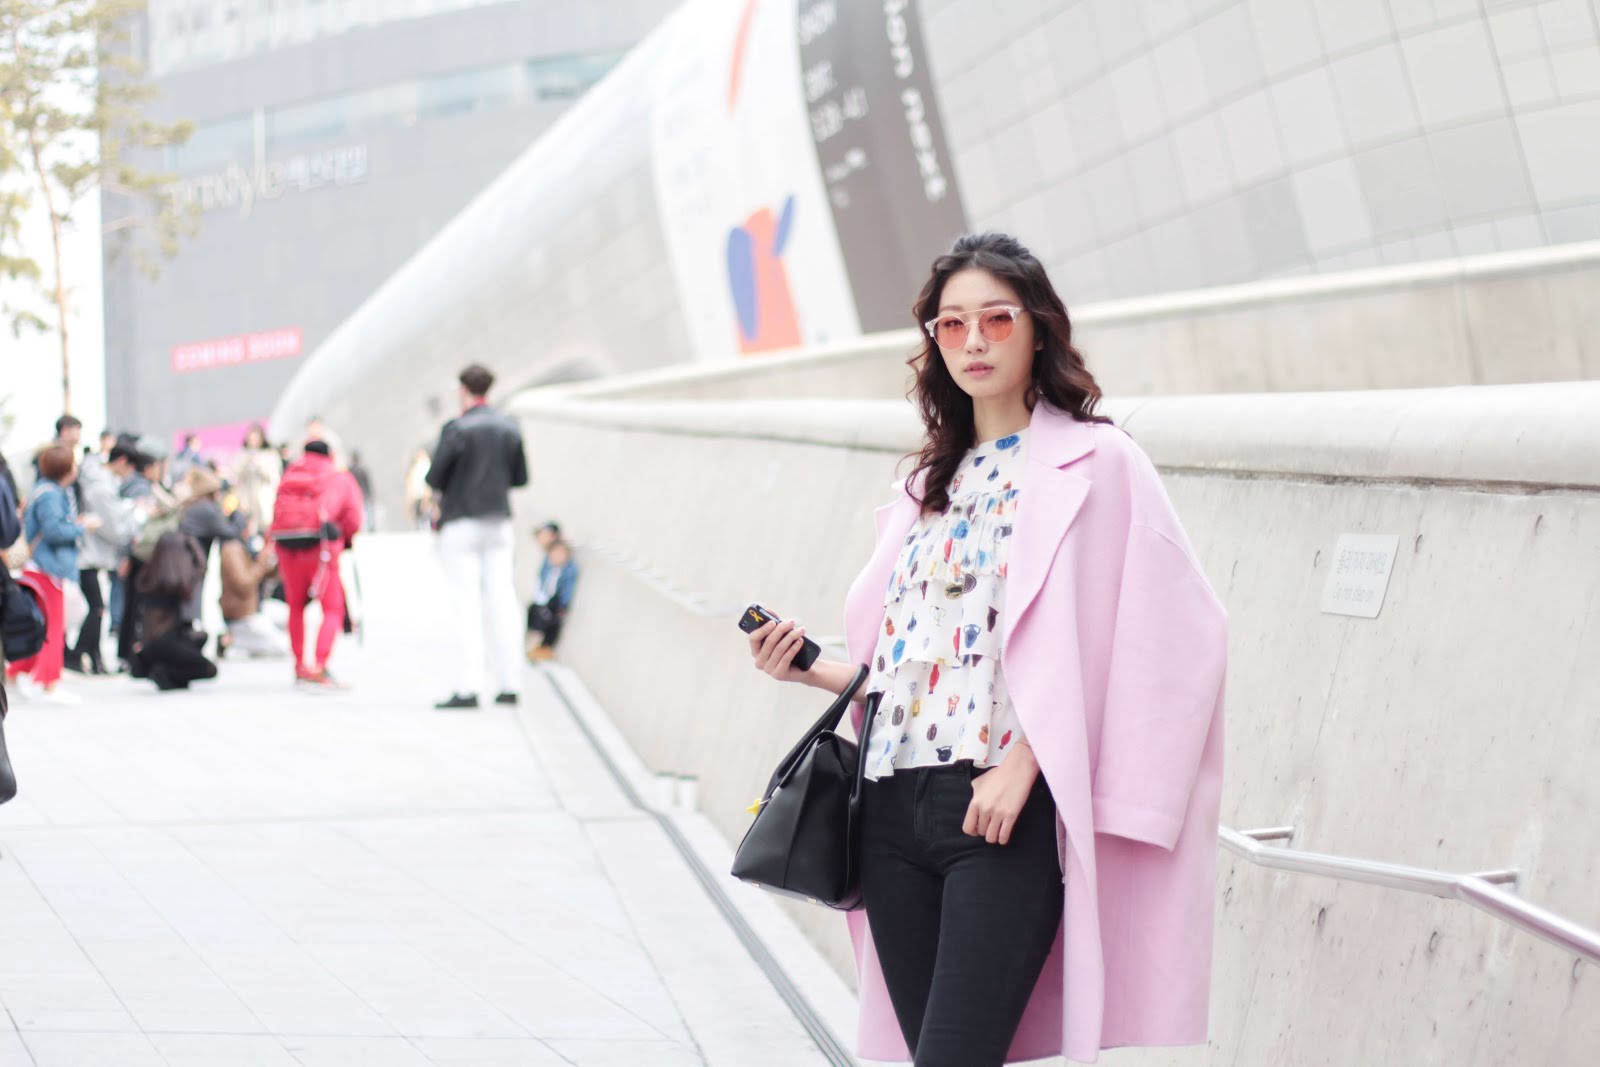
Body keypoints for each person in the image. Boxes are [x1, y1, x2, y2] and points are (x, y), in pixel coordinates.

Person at [743, 233, 1228, 1066]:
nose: (973, 341)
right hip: (890, 806)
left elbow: (1165, 635)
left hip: (999, 810)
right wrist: (808, 665)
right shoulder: (926, 485)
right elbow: (912, 667)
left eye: (996, 320)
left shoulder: (1099, 462)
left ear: (1037, 329)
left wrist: (1025, 762)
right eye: (952, 324)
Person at [426, 364, 529, 710]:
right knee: (503, 598)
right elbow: (520, 477)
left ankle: (469, 686)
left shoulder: (456, 429)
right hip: (498, 521)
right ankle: (510, 682)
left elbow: (435, 477)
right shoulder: (509, 426)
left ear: (462, 390)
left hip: (461, 522)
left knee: (466, 602)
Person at [7, 446, 99, 704]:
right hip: (49, 569)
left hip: (40, 568)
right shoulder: (51, 495)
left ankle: (17, 674)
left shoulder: (43, 490)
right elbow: (54, 531)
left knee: (42, 625)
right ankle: (48, 683)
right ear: (65, 468)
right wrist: (81, 527)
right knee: (53, 627)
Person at [269, 440, 363, 687]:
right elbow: (353, 517)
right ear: (331, 454)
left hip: (287, 547)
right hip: (320, 548)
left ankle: (300, 665)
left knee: (296, 606)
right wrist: (345, 537)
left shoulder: (290, 475)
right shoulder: (338, 477)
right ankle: (320, 665)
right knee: (332, 608)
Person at [67, 444, 141, 675]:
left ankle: (91, 656)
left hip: (91, 556)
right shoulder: (100, 486)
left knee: (97, 608)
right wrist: (136, 515)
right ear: (122, 461)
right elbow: (113, 528)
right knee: (97, 608)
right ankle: (78, 654)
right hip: (88, 556)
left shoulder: (99, 480)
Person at [129, 531, 216, 691]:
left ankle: (168, 674)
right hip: (165, 642)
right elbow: (201, 566)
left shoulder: (149, 576)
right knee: (209, 669)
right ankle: (166, 672)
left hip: (151, 642)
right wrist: (193, 545)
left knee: (200, 638)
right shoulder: (175, 582)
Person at [218, 518, 288, 659]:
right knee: (283, 648)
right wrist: (261, 563)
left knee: (287, 615)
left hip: (256, 607)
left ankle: (246, 645)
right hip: (243, 615)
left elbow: (266, 575)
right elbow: (244, 584)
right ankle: (233, 641)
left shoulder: (244, 547)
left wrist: (273, 561)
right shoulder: (232, 550)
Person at [525, 537, 577, 662]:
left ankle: (541, 648)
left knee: (548, 616)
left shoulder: (569, 570)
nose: (556, 557)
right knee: (534, 611)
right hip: (542, 600)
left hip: (555, 603)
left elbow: (566, 591)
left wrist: (562, 606)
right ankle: (532, 644)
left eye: (560, 554)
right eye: (554, 553)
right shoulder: (547, 566)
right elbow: (541, 583)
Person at [229, 424, 281, 536]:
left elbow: (274, 477)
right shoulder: (242, 455)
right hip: (247, 498)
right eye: (250, 439)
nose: (253, 441)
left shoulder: (270, 455)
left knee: (266, 528)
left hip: (264, 497)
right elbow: (235, 476)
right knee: (249, 529)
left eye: (256, 439)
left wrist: (258, 464)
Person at [404, 448, 434, 531]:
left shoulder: (425, 466)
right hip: (417, 497)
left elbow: (428, 484)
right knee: (418, 521)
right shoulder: (414, 468)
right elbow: (409, 485)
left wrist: (426, 498)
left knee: (425, 521)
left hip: (423, 497)